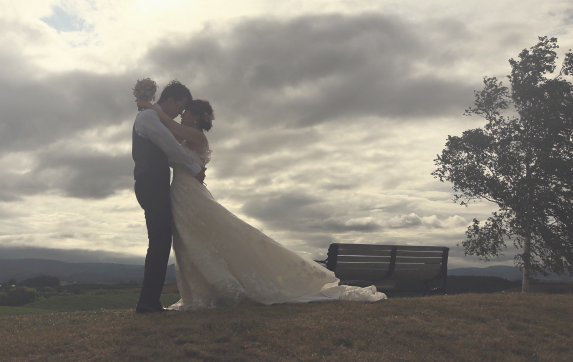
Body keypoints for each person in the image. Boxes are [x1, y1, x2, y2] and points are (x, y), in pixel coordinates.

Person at [136, 97, 386, 310]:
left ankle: (229, 286)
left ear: (195, 117)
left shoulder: (195, 136)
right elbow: (168, 137)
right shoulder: (187, 136)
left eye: (186, 112)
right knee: (191, 243)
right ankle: (204, 291)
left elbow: (168, 125)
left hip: (190, 195)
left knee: (209, 238)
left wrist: (150, 105)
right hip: (182, 194)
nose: (181, 116)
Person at [132, 80, 205, 314]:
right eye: (181, 107)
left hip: (155, 184)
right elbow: (169, 145)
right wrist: (194, 168)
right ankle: (147, 302)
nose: (180, 114)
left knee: (161, 240)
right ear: (171, 100)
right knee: (160, 240)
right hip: (151, 184)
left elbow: (171, 147)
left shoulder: (153, 116)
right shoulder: (149, 117)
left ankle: (150, 301)